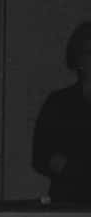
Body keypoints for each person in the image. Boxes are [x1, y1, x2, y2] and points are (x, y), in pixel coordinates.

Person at [31, 22, 91, 205]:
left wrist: (68, 164)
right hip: (68, 201)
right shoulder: (59, 103)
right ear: (78, 59)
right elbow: (41, 155)